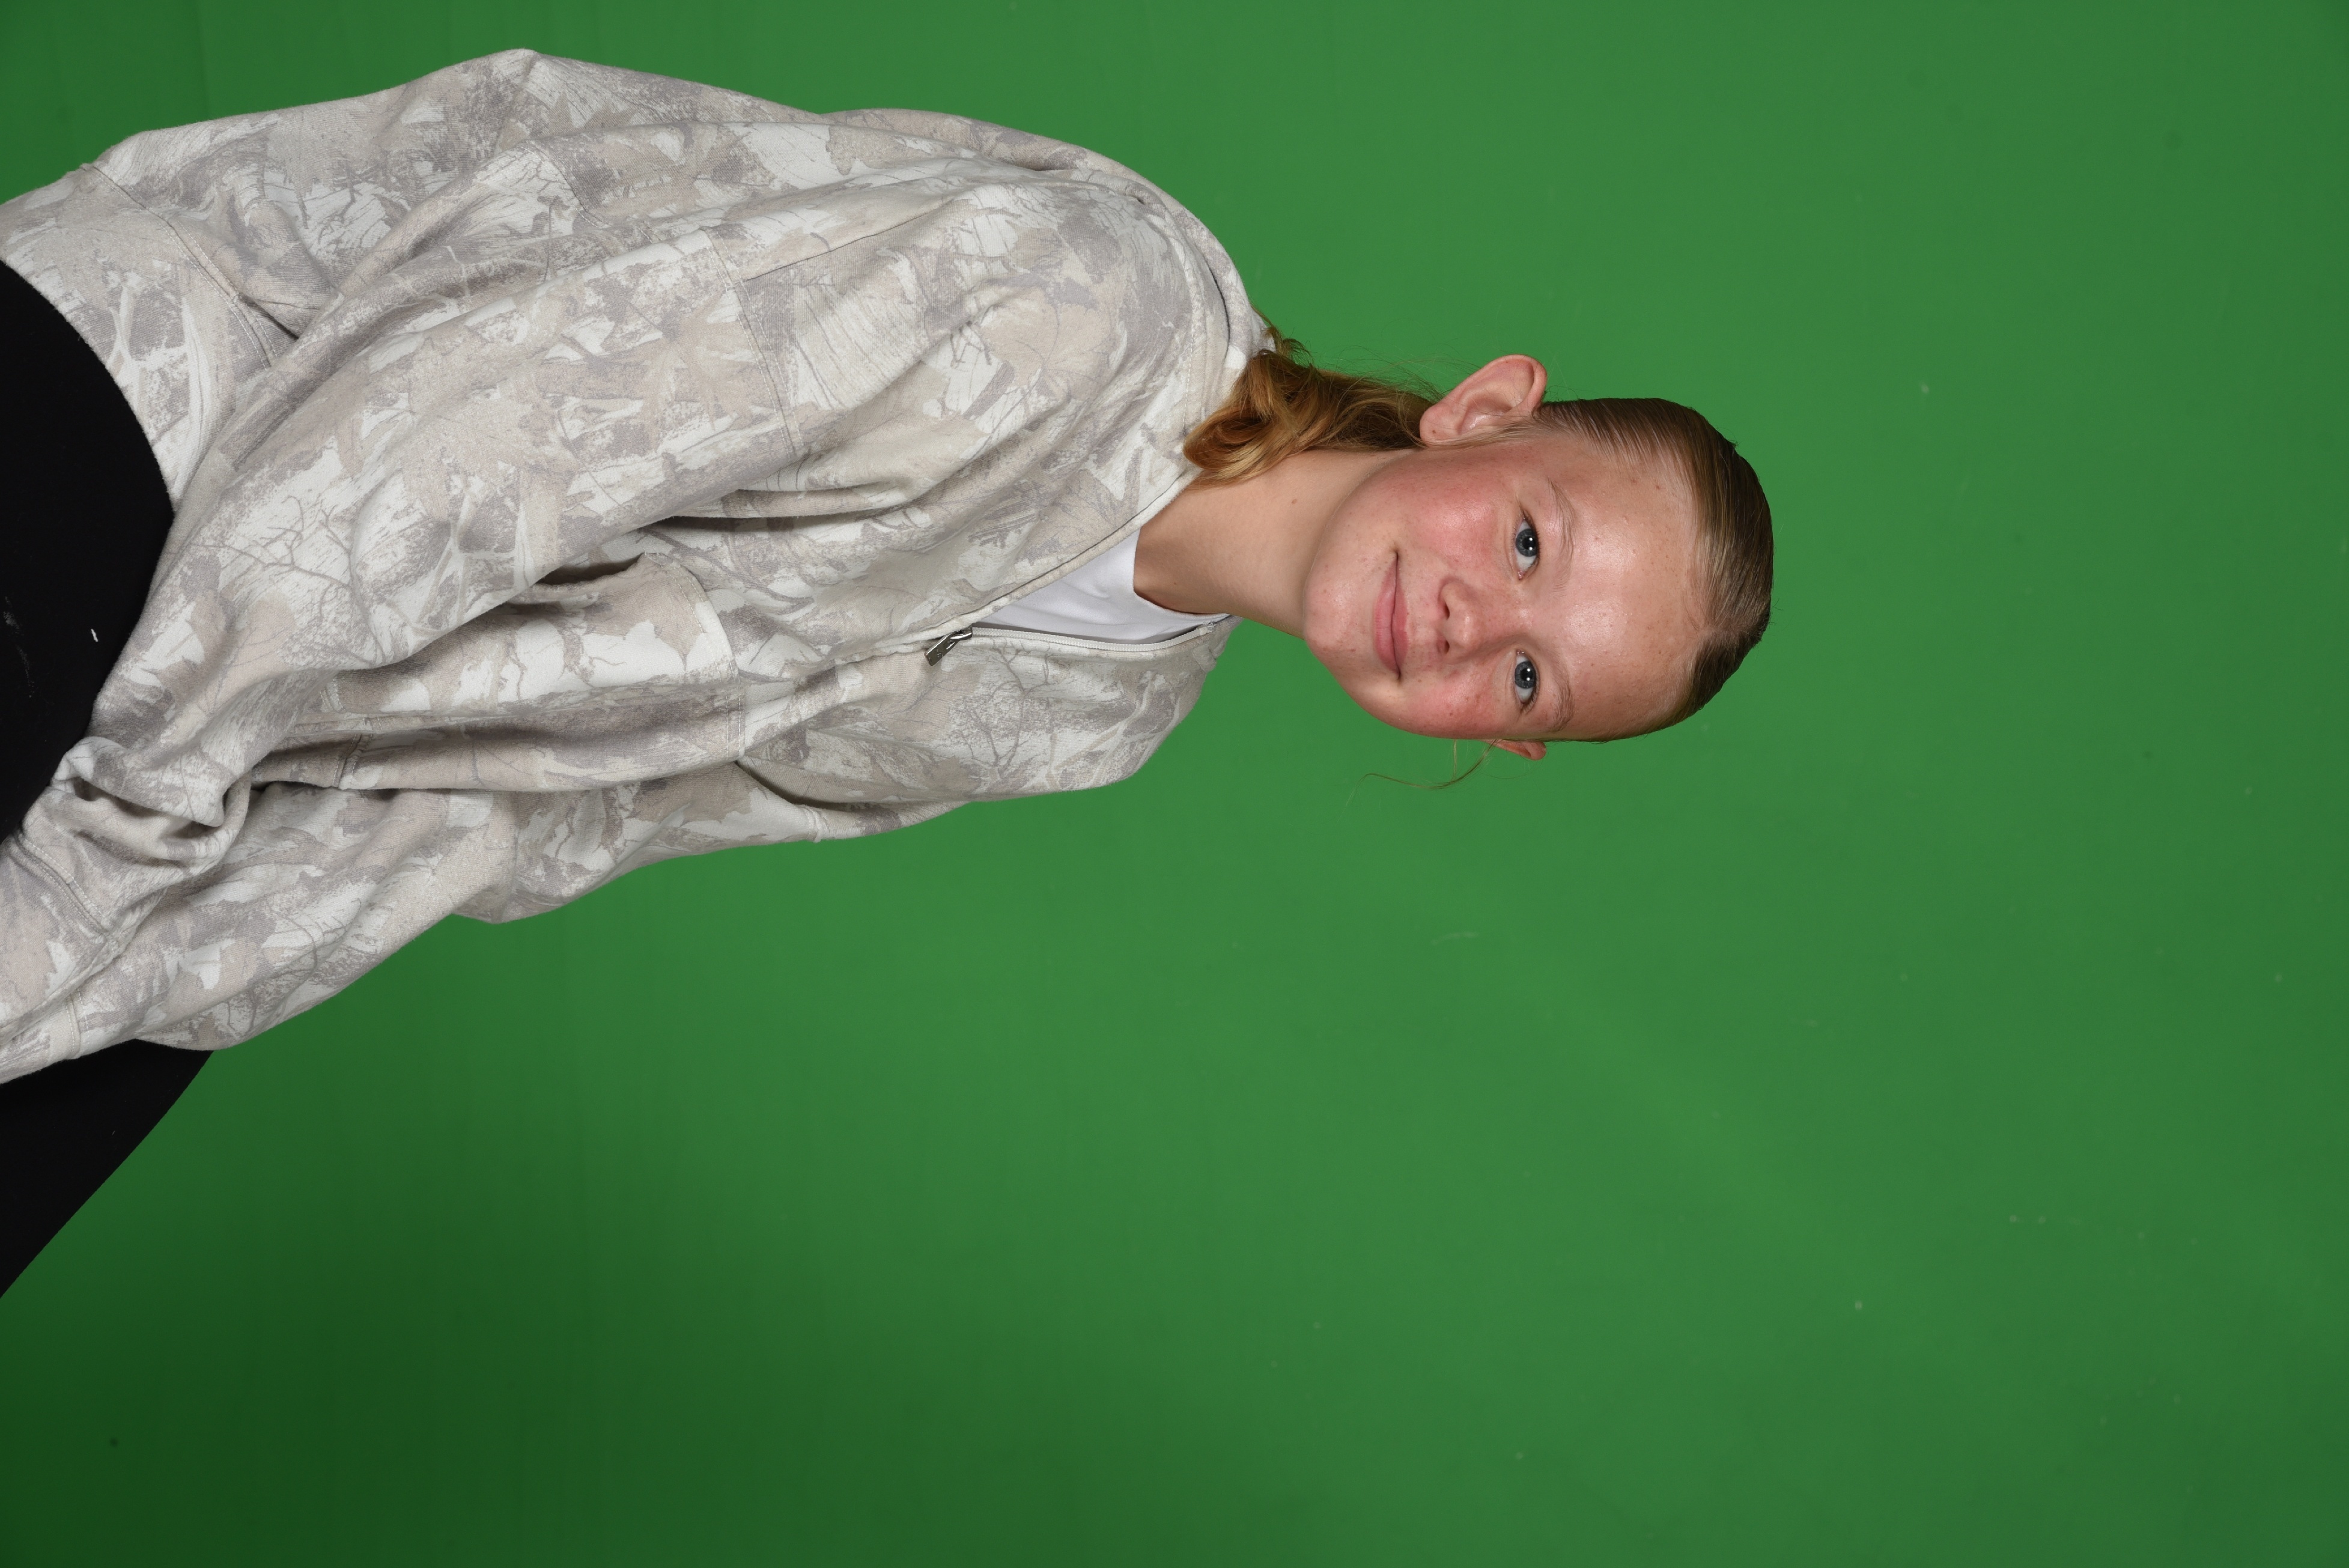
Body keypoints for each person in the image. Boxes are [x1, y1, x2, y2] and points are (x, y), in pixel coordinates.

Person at [0, 51, 1772, 1286]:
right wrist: (116, 849)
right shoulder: (1086, 308)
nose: (1473, 624)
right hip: (184, 423)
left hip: (231, 758)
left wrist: (178, 941)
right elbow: (452, 428)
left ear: (1512, 744)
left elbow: (567, 800)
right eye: (1526, 543)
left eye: (1531, 680)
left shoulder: (1104, 713)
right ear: (1486, 412)